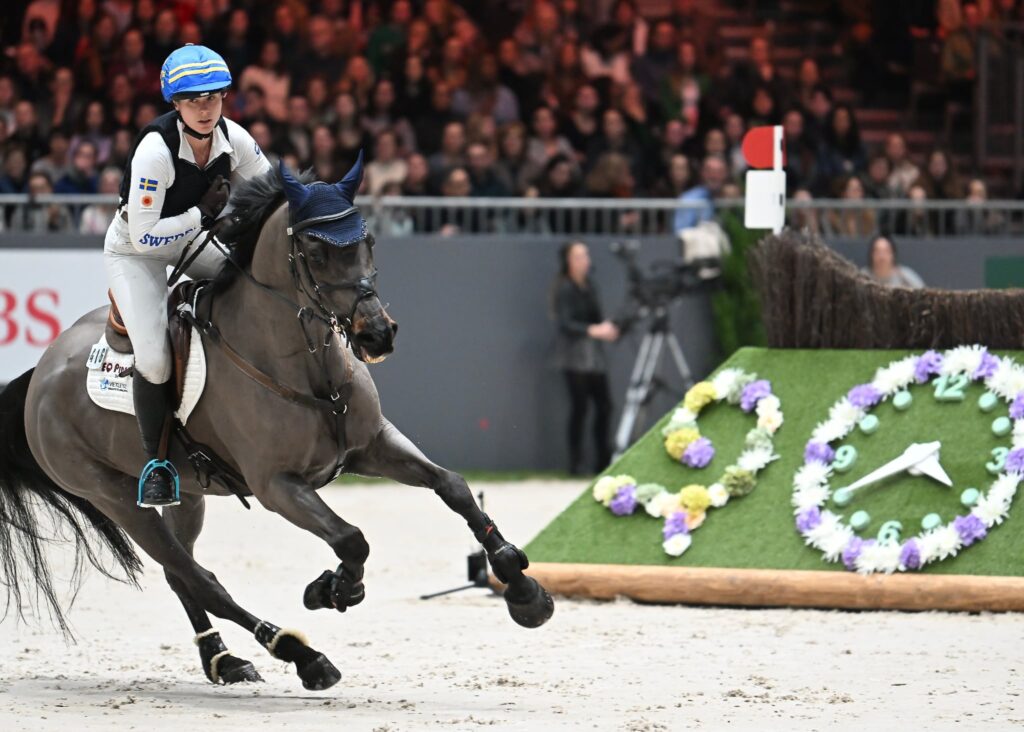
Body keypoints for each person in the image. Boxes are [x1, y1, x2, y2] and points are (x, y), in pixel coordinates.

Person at [104, 45, 270, 508]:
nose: (205, 108)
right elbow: (145, 239)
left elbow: (274, 190)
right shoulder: (155, 151)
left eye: (213, 97)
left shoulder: (234, 138)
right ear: (175, 103)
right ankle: (155, 465)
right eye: (193, 100)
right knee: (155, 360)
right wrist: (202, 213)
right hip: (134, 251)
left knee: (253, 286)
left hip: (186, 240)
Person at [552, 241, 619, 475]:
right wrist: (593, 330)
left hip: (594, 356)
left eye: (586, 255)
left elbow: (597, 318)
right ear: (568, 261)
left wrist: (607, 328)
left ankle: (604, 461)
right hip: (574, 356)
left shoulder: (590, 286)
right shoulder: (565, 288)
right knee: (580, 407)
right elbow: (565, 324)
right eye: (579, 256)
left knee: (605, 406)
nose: (585, 261)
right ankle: (576, 464)